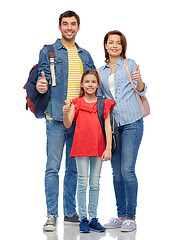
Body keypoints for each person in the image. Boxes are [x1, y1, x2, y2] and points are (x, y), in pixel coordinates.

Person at [36, 10, 96, 231]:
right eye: (65, 24)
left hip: (80, 120)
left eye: (73, 24)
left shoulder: (85, 55)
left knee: (73, 168)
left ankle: (70, 212)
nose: (69, 27)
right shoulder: (48, 51)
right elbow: (43, 78)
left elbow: (92, 85)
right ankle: (52, 214)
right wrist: (40, 86)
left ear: (78, 27)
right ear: (59, 27)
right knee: (53, 167)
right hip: (56, 118)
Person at [98, 30, 147, 232]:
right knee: (116, 172)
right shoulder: (100, 71)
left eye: (118, 43)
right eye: (111, 42)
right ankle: (121, 215)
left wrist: (139, 80)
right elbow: (101, 99)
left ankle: (132, 218)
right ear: (106, 46)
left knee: (127, 170)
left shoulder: (130, 64)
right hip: (113, 125)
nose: (115, 46)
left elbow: (142, 90)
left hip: (132, 121)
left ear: (122, 46)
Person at [63, 70, 115, 233]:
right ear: (82, 84)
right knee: (82, 183)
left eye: (93, 82)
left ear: (98, 84)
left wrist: (108, 148)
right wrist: (65, 112)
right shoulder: (76, 102)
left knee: (94, 183)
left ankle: (93, 218)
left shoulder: (103, 103)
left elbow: (108, 127)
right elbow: (67, 123)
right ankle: (83, 218)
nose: (90, 85)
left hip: (98, 147)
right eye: (87, 82)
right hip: (81, 147)